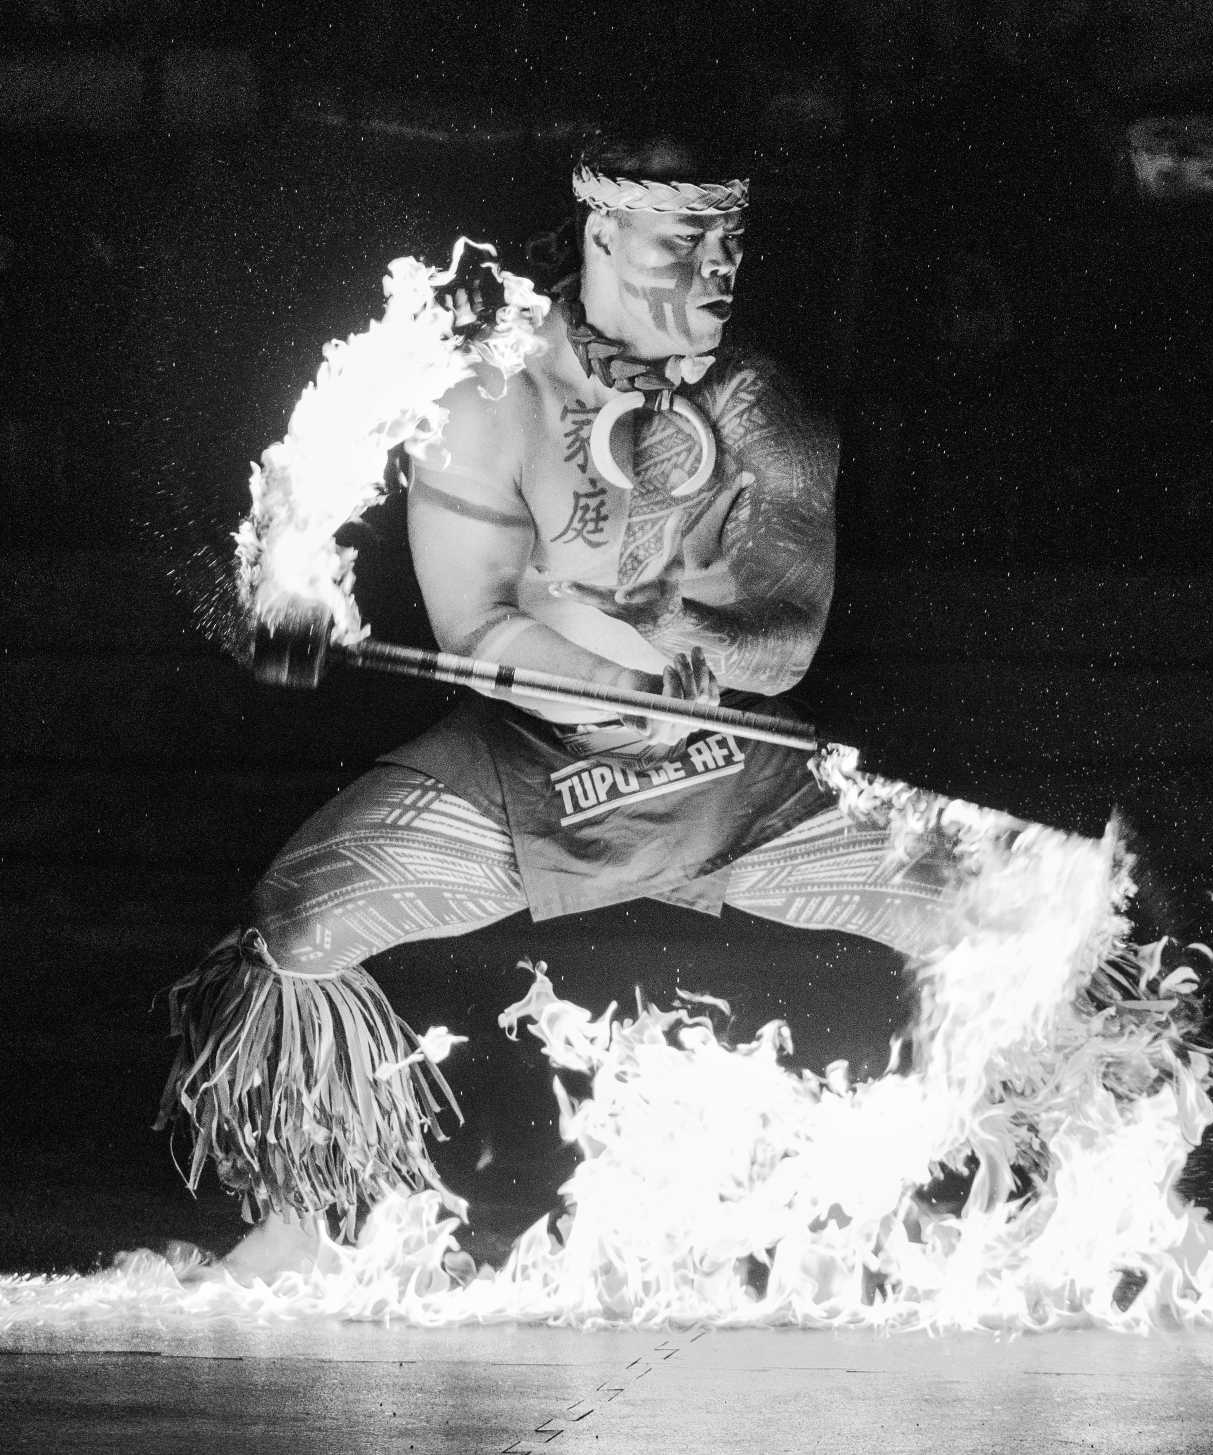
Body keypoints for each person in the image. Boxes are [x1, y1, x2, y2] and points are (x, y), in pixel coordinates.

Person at [158, 127, 969, 1276]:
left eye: (731, 242)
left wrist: (689, 655)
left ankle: (970, 1203)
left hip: (731, 777)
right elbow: (475, 626)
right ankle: (302, 1223)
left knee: (1009, 914)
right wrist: (613, 682)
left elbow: (785, 642)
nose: (717, 270)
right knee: (300, 920)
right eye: (682, 242)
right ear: (605, 230)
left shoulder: (762, 405)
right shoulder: (493, 390)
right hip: (527, 767)